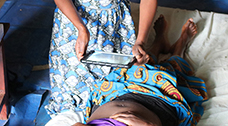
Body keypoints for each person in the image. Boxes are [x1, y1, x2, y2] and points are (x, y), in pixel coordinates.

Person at [46, 15, 208, 126]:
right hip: (157, 104)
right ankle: (179, 46)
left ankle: (159, 42)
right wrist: (146, 124)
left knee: (138, 67)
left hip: (116, 94)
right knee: (170, 73)